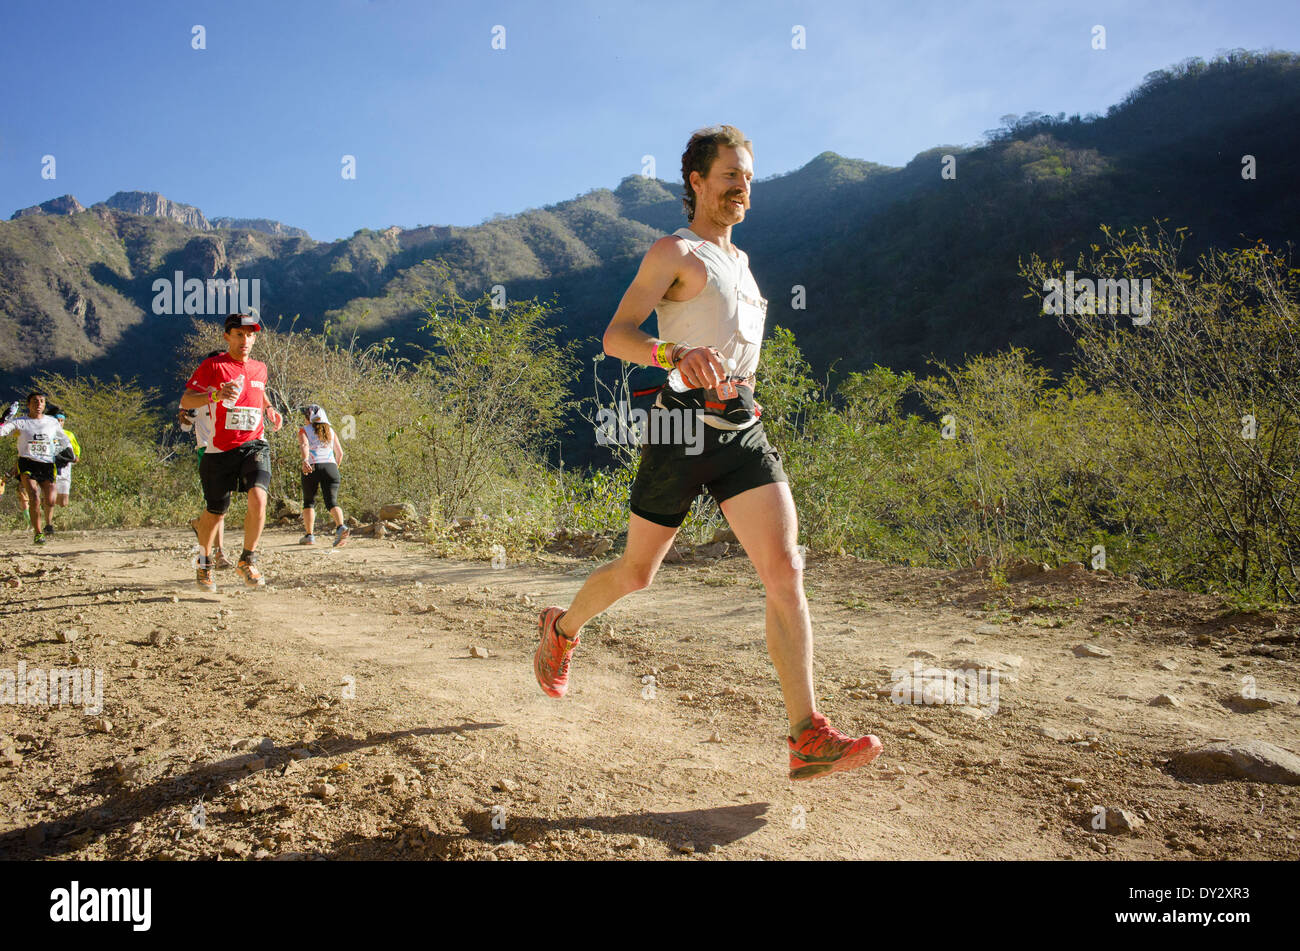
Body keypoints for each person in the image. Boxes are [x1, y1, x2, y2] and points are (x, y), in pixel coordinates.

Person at [533, 126, 882, 781]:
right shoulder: (675, 252)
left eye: (748, 177)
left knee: (784, 569)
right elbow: (616, 336)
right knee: (638, 572)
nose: (741, 187)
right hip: (679, 430)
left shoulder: (743, 266)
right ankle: (563, 628)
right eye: (730, 175)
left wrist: (737, 386)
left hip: (741, 428)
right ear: (696, 180)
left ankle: (806, 733)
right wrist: (674, 355)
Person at [179, 314, 283, 591]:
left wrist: (270, 409)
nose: (245, 340)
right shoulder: (213, 366)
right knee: (216, 512)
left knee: (259, 497)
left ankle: (247, 560)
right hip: (218, 449)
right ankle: (204, 563)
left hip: (254, 443)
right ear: (227, 336)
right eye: (239, 334)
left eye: (250, 335)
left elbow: (258, 391)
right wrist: (215, 396)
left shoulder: (260, 368)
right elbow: (187, 399)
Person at [177, 350, 233, 569]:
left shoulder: (233, 391)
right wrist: (187, 416)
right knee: (219, 505)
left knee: (221, 504)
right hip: (207, 451)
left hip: (230, 449)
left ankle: (200, 524)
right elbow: (184, 427)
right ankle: (219, 554)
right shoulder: (197, 394)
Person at [0, 392, 73, 544]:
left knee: (51, 499)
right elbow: (2, 432)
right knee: (33, 496)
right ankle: (38, 533)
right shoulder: (21, 422)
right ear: (28, 405)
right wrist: (3, 420)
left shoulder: (52, 422)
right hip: (27, 462)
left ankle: (47, 524)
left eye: (41, 401)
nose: (38, 404)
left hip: (47, 464)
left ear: (44, 405)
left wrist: (65, 452)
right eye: (35, 401)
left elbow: (63, 439)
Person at [297, 405, 350, 547]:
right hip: (331, 467)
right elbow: (340, 454)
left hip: (312, 466)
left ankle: (309, 536)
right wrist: (333, 468)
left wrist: (305, 460)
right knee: (332, 502)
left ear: (309, 418)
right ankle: (341, 527)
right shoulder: (331, 431)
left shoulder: (304, 430)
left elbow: (304, 445)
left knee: (309, 502)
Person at [45, 408, 82, 534]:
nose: (60, 423)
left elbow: (76, 453)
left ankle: (44, 504)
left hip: (65, 471)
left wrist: (74, 458)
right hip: (49, 470)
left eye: (62, 420)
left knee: (64, 502)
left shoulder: (69, 434)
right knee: (50, 499)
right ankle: (48, 525)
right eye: (57, 420)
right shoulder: (45, 433)